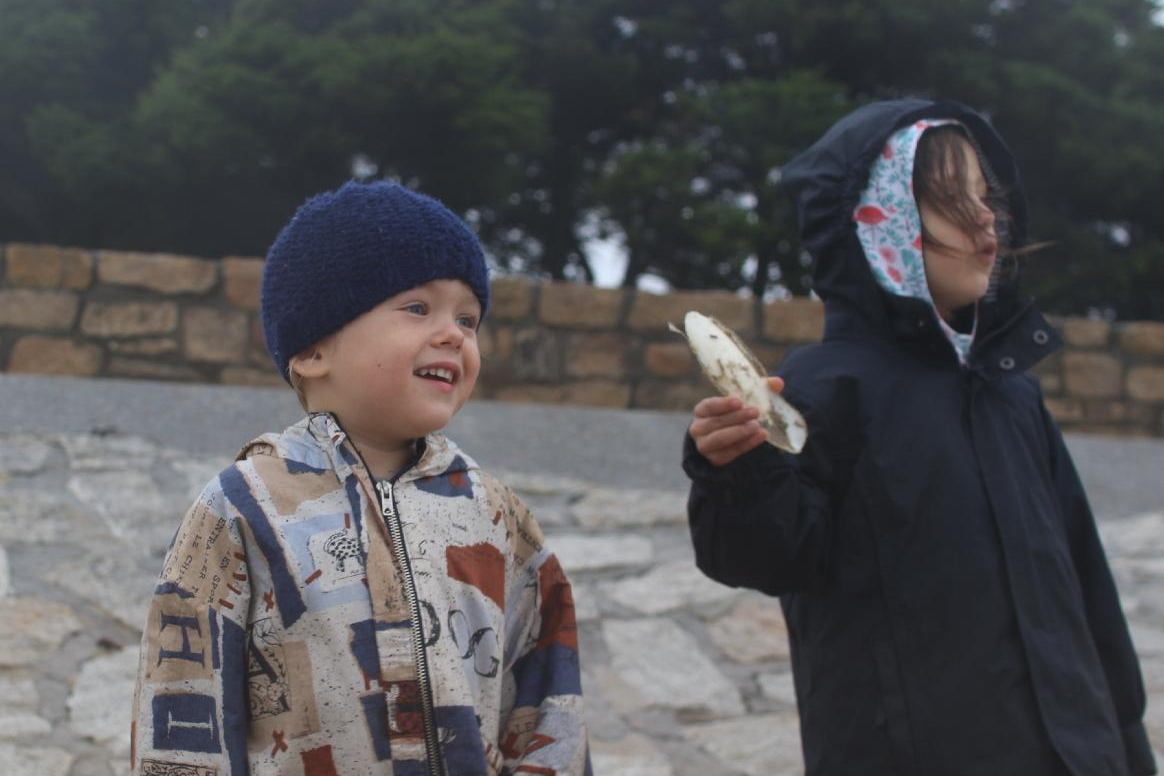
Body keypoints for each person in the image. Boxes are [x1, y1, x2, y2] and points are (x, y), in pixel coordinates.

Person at [683, 99, 1156, 776]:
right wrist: (734, 470)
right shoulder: (821, 388)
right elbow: (760, 558)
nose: (987, 218)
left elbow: (1086, 587)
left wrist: (1127, 747)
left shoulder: (1012, 390)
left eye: (986, 196)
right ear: (883, 218)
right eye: (952, 199)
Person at [131, 181, 591, 776]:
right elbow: (183, 700)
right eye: (418, 308)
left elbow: (550, 698)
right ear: (314, 349)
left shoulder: (496, 516)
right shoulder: (243, 507)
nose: (455, 334)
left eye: (469, 318)